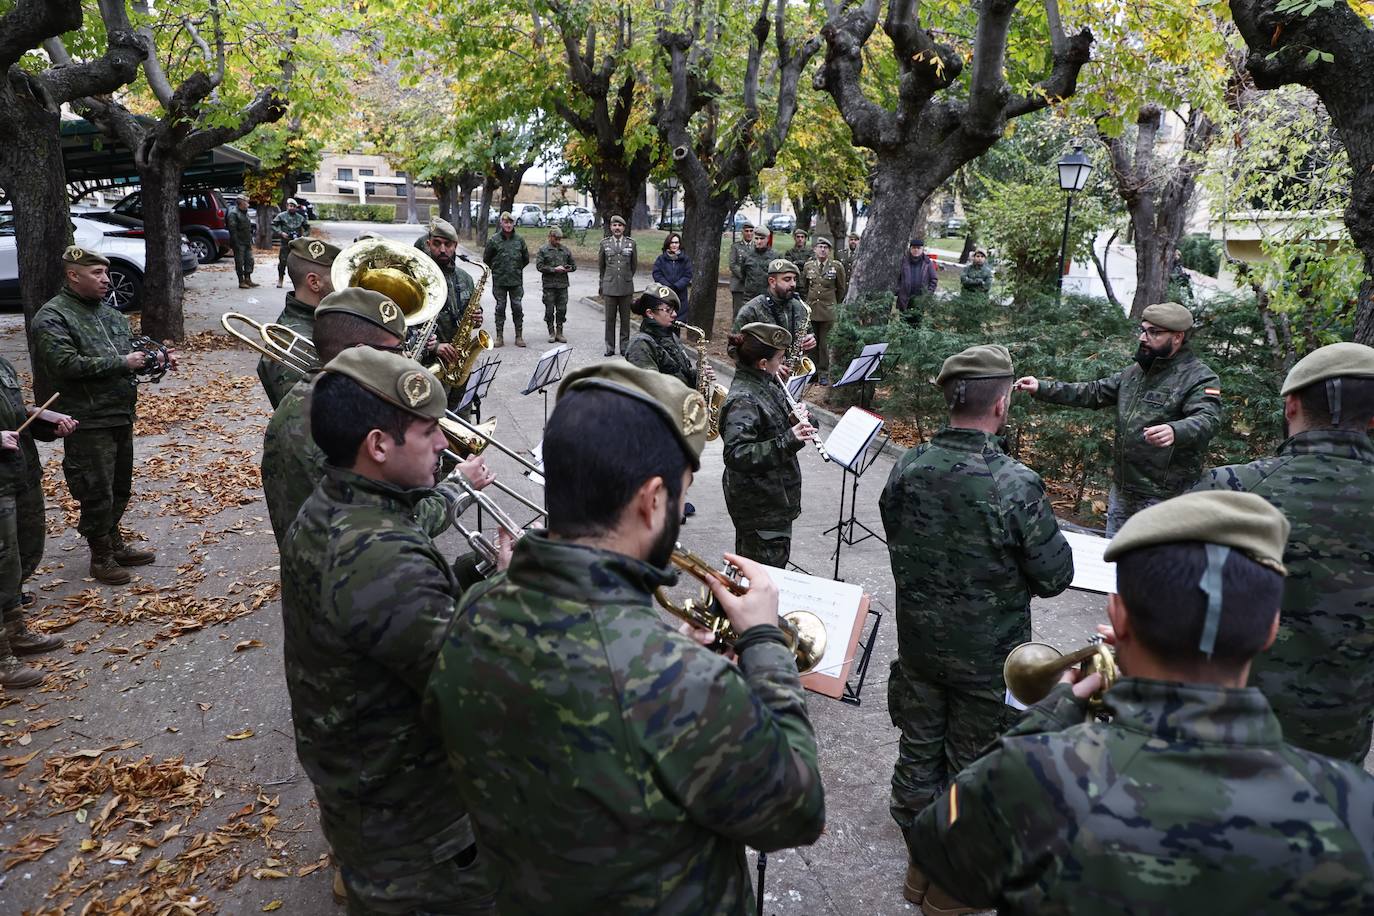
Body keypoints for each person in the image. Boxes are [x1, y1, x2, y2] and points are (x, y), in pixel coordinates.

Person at [423, 360, 825, 914]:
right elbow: (797, 810)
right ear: (652, 499)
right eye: (682, 499)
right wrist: (762, 641)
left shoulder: (477, 606)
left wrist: (673, 651)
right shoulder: (678, 683)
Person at [907, 491, 1374, 915]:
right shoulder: (1355, 803)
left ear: (1119, 616)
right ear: (1271, 628)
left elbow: (937, 848)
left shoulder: (1035, 774)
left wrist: (1054, 711)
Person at [280, 347, 498, 916]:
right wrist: (520, 588)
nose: (445, 445)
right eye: (429, 432)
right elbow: (479, 685)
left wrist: (478, 569)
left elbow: (394, 617)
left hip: (370, 793)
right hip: (415, 824)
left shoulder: (339, 504)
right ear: (378, 445)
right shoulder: (376, 552)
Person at [878, 345, 1073, 905]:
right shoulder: (1013, 482)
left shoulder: (908, 466)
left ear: (949, 397)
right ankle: (951, 881)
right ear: (1002, 401)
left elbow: (900, 538)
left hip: (917, 643)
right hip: (988, 661)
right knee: (973, 768)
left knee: (917, 752)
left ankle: (919, 855)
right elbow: (1055, 575)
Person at [1193, 342, 1374, 764]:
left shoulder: (1228, 490)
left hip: (1223, 728)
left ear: (1291, 405)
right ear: (1371, 419)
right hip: (1337, 741)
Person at [260, 287, 491, 548]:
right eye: (395, 350)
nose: (404, 358)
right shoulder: (342, 419)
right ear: (360, 352)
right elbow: (403, 525)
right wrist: (460, 486)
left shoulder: (311, 393)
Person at [31, 246, 177, 586]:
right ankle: (101, 556)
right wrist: (122, 363)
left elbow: (130, 352)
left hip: (120, 413)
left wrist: (158, 359)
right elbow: (64, 365)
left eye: (105, 273)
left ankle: (114, 542)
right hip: (86, 418)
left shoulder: (111, 314)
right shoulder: (53, 316)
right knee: (95, 490)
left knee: (119, 485)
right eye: (97, 273)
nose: (106, 280)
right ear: (73, 275)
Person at [1014, 301, 1224, 534]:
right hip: (1124, 488)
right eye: (1143, 330)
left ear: (1178, 337)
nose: (1143, 338)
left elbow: (1208, 419)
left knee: (1154, 561)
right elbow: (1093, 392)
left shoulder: (1199, 378)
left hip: (1166, 495)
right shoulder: (1135, 372)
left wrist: (1176, 430)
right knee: (1116, 552)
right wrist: (1041, 387)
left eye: (1154, 332)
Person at [0, 356, 74, 689]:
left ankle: (16, 631)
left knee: (24, 555)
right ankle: (2, 659)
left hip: (21, 475)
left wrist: (47, 422)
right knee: (2, 567)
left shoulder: (2, 363)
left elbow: (16, 412)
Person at [719, 323, 817, 567]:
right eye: (779, 358)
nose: (782, 364)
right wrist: (789, 439)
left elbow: (774, 426)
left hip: (774, 501)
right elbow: (736, 454)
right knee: (761, 577)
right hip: (760, 507)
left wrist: (796, 420)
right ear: (763, 363)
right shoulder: (744, 399)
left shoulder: (767, 385)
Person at [256, 237, 340, 409]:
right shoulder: (293, 344)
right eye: (338, 277)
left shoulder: (319, 320)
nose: (345, 285)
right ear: (314, 282)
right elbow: (311, 419)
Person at [414, 217, 480, 411]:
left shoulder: (466, 278)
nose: (443, 250)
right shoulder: (418, 280)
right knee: (434, 423)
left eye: (448, 244)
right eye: (437, 243)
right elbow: (406, 326)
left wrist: (477, 317)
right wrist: (434, 347)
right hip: (430, 368)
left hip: (461, 364)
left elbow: (472, 310)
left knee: (462, 419)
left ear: (455, 246)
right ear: (429, 244)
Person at [733, 259, 817, 374]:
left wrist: (811, 340)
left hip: (791, 375)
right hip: (759, 380)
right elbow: (733, 349)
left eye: (795, 279)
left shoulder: (800, 307)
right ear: (772, 282)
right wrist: (769, 365)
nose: (793, 284)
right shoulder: (751, 310)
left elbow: (809, 332)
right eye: (787, 279)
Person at [624, 286, 699, 388]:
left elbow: (679, 374)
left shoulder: (669, 335)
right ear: (650, 313)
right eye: (668, 310)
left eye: (674, 310)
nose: (674, 314)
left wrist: (698, 375)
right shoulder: (640, 344)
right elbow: (651, 389)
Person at [801, 238, 847, 386]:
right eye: (820, 247)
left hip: (828, 312)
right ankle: (812, 372)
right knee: (811, 342)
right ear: (815, 249)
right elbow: (804, 287)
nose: (822, 250)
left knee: (825, 344)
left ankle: (823, 373)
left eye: (826, 248)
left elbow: (841, 289)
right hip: (812, 310)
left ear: (829, 251)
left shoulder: (836, 267)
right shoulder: (809, 266)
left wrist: (834, 305)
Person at [482, 212, 530, 347]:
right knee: (500, 308)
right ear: (501, 223)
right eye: (506, 222)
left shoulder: (519, 240)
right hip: (500, 282)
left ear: (513, 223)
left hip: (516, 282)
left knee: (517, 308)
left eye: (510, 222)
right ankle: (499, 336)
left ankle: (519, 336)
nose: (508, 225)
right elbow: (487, 259)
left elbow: (526, 259)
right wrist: (498, 270)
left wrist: (516, 269)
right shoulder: (494, 240)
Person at [597, 215, 638, 356]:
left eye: (620, 225)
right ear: (610, 227)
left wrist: (626, 278)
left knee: (625, 320)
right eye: (614, 225)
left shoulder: (631, 244)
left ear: (624, 228)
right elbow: (601, 267)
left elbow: (633, 266)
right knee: (610, 319)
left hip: (626, 288)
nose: (617, 228)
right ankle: (610, 347)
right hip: (610, 287)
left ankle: (624, 346)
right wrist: (604, 282)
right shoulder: (604, 244)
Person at [534, 225, 576, 343]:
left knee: (562, 309)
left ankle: (560, 331)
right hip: (549, 286)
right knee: (549, 309)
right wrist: (554, 269)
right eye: (555, 238)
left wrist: (568, 268)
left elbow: (574, 266)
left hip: (562, 285)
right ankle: (551, 332)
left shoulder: (565, 250)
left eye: (559, 239)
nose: (558, 241)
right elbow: (539, 266)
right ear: (550, 237)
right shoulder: (543, 250)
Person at [651, 232, 693, 323]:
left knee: (676, 324)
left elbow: (688, 275)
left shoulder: (685, 259)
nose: (674, 245)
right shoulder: (661, 259)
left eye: (676, 242)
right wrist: (667, 285)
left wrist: (677, 286)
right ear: (668, 244)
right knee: (664, 323)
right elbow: (657, 274)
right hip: (664, 295)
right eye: (672, 242)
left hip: (680, 296)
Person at [895, 237, 938, 323]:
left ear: (922, 249)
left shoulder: (928, 263)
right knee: (903, 324)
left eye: (918, 248)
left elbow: (934, 279)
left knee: (917, 325)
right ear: (910, 249)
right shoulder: (903, 262)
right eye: (914, 248)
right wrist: (898, 291)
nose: (916, 250)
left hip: (920, 300)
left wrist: (927, 294)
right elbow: (897, 278)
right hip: (905, 299)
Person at [271, 197, 310, 289]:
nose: (291, 208)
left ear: (296, 208)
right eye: (290, 206)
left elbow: (307, 227)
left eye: (293, 206)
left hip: (297, 243)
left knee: (297, 263)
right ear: (287, 206)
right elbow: (273, 225)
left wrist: (303, 236)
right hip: (285, 242)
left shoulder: (300, 217)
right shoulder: (281, 216)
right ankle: (280, 279)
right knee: (283, 261)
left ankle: (297, 282)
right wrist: (281, 233)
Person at [227, 195, 258, 289]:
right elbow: (233, 231)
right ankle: (241, 281)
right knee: (240, 262)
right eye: (246, 202)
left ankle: (248, 279)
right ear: (241, 203)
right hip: (238, 242)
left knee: (250, 260)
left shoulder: (245, 212)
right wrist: (235, 244)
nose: (248, 204)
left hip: (247, 241)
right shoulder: (233, 214)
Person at [728, 221, 756, 316]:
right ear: (742, 232)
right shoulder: (736, 246)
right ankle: (736, 331)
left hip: (753, 285)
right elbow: (732, 264)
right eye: (746, 231)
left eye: (751, 231)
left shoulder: (756, 247)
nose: (749, 233)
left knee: (752, 312)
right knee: (738, 312)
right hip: (739, 285)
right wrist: (744, 276)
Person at [739, 231, 774, 301]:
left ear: (767, 239)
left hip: (768, 296)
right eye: (756, 238)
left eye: (762, 239)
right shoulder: (747, 255)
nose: (759, 241)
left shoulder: (775, 256)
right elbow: (743, 274)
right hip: (750, 297)